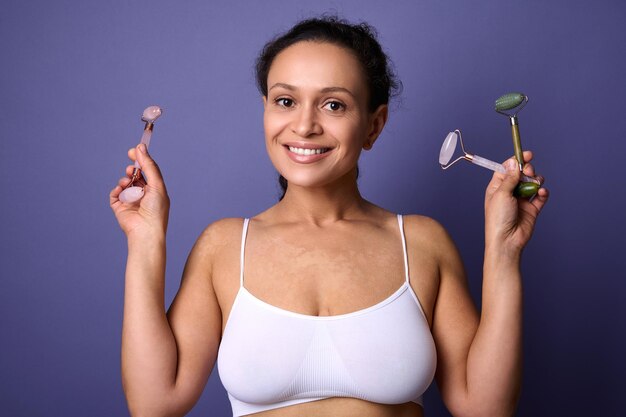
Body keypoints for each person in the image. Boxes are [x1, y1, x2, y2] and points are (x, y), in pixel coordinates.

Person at [110, 16, 549, 417]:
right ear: (265, 109)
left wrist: (504, 250)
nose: (303, 126)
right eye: (285, 101)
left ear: (374, 125)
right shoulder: (223, 247)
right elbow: (155, 404)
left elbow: (486, 408)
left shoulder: (422, 242)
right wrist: (145, 239)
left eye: (333, 105)